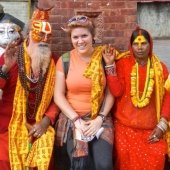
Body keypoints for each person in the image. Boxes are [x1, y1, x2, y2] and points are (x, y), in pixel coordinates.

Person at [0, 0, 58, 169]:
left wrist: (46, 121)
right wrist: (5, 67)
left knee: (43, 158)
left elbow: (58, 97)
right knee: (5, 159)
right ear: (28, 35)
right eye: (39, 36)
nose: (44, 41)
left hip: (39, 124)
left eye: (48, 38)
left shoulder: (53, 62)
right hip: (9, 124)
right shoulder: (11, 56)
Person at [102, 27, 170, 170]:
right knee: (123, 155)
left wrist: (162, 126)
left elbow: (168, 97)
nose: (139, 48)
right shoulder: (122, 64)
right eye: (136, 44)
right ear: (131, 45)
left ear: (150, 45)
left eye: (143, 43)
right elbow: (116, 92)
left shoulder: (160, 68)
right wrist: (109, 65)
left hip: (152, 129)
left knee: (157, 156)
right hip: (125, 127)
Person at [54, 15, 114, 170]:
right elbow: (58, 95)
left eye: (84, 36)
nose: (80, 41)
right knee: (80, 164)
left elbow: (110, 93)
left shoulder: (104, 58)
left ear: (93, 36)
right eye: (75, 37)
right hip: (73, 120)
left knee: (104, 164)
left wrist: (100, 119)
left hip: (100, 118)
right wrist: (76, 120)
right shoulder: (65, 60)